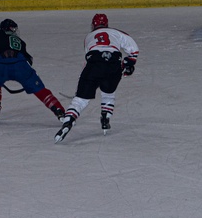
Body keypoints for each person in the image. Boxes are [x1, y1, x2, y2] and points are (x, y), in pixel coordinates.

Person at [55, 13, 140, 143]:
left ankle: (68, 121)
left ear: (93, 25)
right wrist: (129, 63)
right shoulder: (115, 32)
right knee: (108, 93)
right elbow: (133, 49)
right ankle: (105, 119)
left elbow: (88, 58)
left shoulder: (89, 36)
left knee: (81, 100)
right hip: (113, 64)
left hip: (94, 64)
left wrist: (83, 81)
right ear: (107, 24)